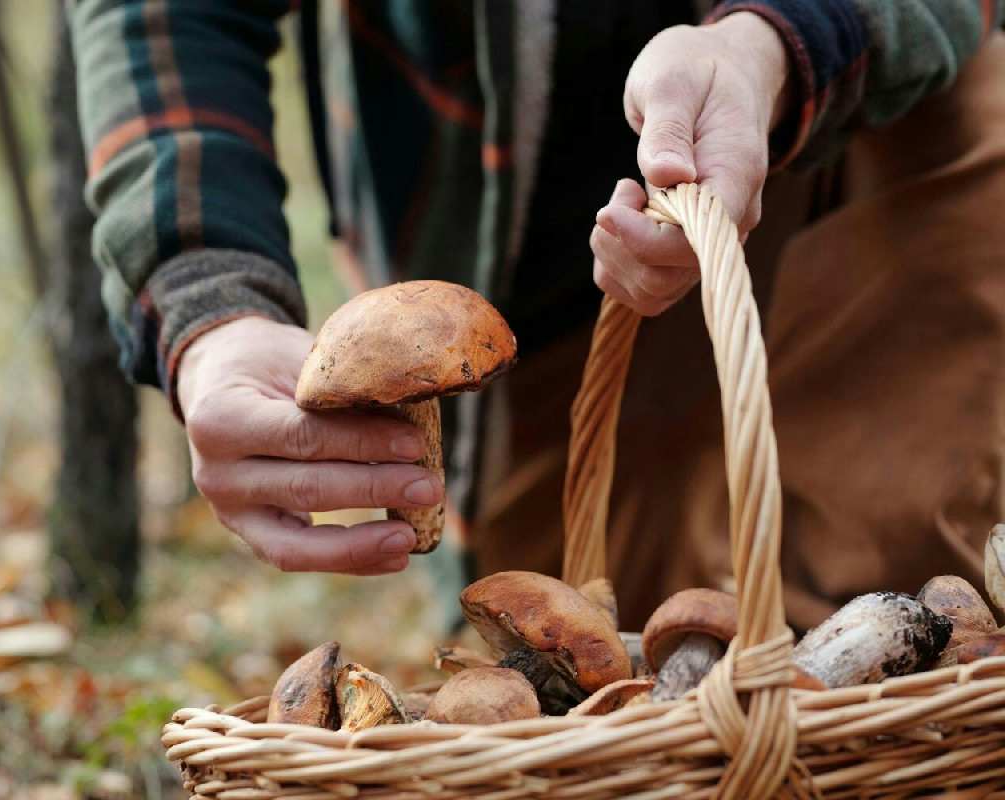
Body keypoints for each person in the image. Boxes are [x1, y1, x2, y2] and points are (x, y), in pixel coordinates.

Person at [71, 1, 1005, 631]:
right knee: (579, 673)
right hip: (520, 334)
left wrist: (768, 48)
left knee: (878, 642)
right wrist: (211, 300)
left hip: (846, 171)